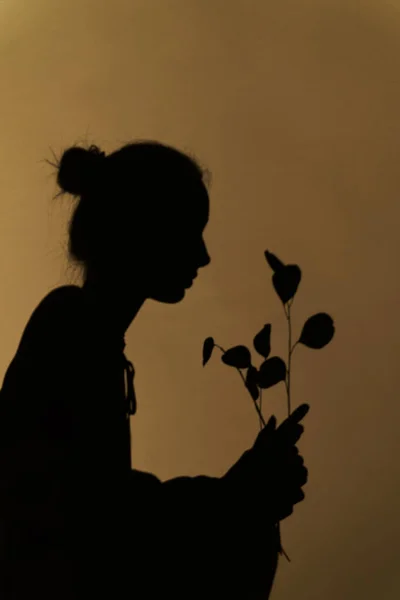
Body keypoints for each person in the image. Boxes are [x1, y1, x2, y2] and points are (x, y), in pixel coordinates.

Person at [0, 141, 309, 599]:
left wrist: (236, 493)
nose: (204, 257)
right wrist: (234, 497)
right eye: (191, 231)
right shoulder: (73, 327)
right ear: (144, 229)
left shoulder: (89, 335)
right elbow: (95, 521)